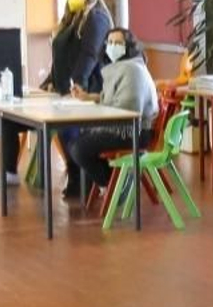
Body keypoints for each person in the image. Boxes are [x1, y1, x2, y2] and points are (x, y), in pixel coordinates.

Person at [0, 0, 112, 195]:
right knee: (10, 116)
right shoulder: (71, 19)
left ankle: (78, 177)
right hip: (61, 91)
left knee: (67, 128)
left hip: (84, 91)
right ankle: (8, 171)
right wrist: (50, 81)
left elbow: (89, 55)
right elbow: (60, 57)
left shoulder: (96, 18)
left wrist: (78, 86)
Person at [66, 27, 161, 198]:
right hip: (128, 128)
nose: (112, 46)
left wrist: (98, 114)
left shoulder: (132, 70)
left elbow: (127, 110)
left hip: (135, 131)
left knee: (79, 148)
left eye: (118, 43)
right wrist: (88, 97)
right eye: (110, 42)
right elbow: (111, 98)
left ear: (129, 47)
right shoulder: (123, 67)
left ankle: (116, 186)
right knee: (76, 142)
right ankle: (109, 184)